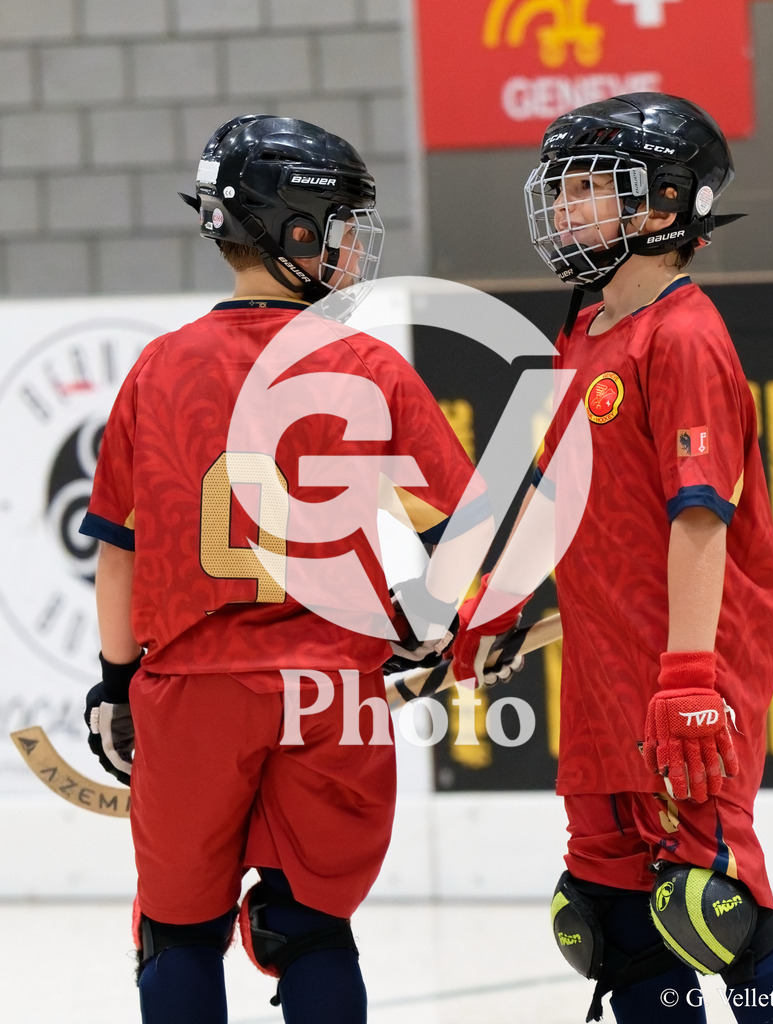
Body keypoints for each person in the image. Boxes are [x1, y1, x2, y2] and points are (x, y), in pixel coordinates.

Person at [79, 114, 489, 1024]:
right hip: (332, 688)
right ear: (292, 231)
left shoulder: (156, 369)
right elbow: (468, 531)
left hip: (192, 687)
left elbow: (119, 553)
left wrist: (114, 682)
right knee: (311, 929)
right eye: (339, 225)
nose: (350, 247)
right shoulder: (367, 366)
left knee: (178, 934)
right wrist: (426, 624)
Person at [449, 93, 773, 1022]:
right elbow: (581, 525)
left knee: (711, 909)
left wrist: (691, 675)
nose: (564, 207)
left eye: (588, 189)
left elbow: (698, 521)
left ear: (662, 206)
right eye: (562, 188)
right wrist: (507, 624)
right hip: (602, 688)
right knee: (609, 919)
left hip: (682, 680)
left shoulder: (684, 336)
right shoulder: (581, 335)